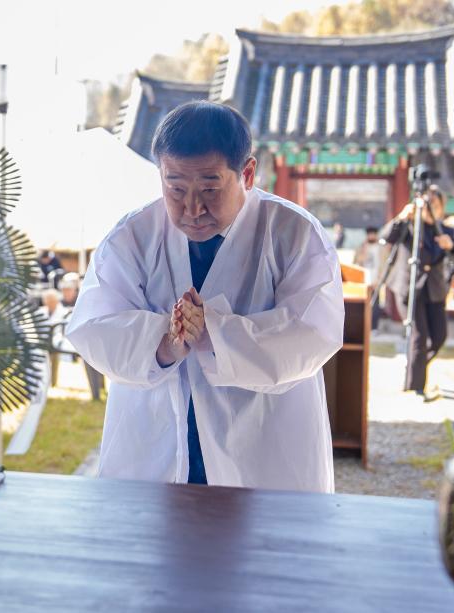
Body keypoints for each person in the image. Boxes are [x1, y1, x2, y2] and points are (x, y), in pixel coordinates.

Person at [66, 101, 344, 492]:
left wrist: (214, 334)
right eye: (175, 187)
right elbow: (93, 324)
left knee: (266, 548)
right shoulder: (132, 236)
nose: (192, 208)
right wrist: (165, 340)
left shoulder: (294, 233)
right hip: (155, 441)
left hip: (265, 446)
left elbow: (316, 332)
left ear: (246, 173)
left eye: (210, 188)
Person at [380, 185, 454, 398]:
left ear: (441, 207)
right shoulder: (410, 227)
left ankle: (414, 369)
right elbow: (386, 237)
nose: (431, 207)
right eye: (428, 203)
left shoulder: (447, 231)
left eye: (435, 204)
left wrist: (450, 246)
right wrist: (402, 216)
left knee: (439, 337)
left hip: (435, 290)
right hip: (408, 287)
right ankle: (416, 387)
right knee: (418, 337)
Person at [355, 226, 383, 329]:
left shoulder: (381, 247)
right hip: (364, 281)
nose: (371, 236)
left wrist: (380, 280)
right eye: (369, 234)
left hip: (376, 281)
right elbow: (357, 262)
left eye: (373, 234)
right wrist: (364, 249)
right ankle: (363, 327)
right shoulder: (361, 247)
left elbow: (384, 264)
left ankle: (374, 327)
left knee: (375, 306)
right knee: (362, 306)